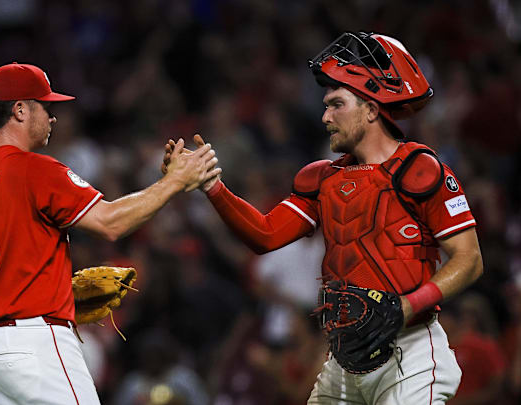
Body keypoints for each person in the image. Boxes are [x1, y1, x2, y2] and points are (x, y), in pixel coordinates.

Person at [165, 32, 483, 404]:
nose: (324, 116)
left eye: (336, 105)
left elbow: (470, 259)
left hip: (409, 352)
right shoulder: (320, 178)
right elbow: (264, 235)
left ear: (372, 108)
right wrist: (214, 188)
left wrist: (409, 305)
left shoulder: (421, 170)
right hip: (343, 360)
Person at [0, 62, 220, 405]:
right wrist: (174, 182)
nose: (53, 118)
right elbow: (110, 222)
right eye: (47, 107)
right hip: (33, 346)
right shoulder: (32, 168)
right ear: (21, 109)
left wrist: (41, 292)